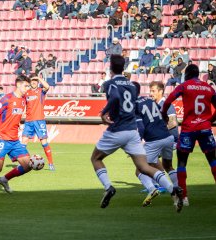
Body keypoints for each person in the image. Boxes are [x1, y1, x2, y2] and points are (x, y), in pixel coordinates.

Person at [90, 55, 182, 211]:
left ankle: (108, 187)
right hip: (132, 132)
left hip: (117, 129)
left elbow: (115, 97)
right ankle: (172, 189)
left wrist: (104, 112)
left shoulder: (110, 84)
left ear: (111, 68)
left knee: (96, 158)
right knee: (144, 167)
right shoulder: (132, 86)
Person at [162, 64, 216, 206]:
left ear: (187, 74)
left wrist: (163, 114)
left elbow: (168, 100)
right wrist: (211, 119)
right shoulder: (208, 88)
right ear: (197, 74)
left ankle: (184, 197)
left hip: (188, 129)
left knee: (181, 163)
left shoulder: (184, 86)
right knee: (213, 161)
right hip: (205, 128)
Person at [133, 81, 178, 207]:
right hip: (167, 138)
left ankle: (155, 188)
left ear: (161, 91)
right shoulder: (152, 102)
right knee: (165, 166)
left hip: (158, 139)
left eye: (153, 91)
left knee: (141, 168)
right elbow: (163, 118)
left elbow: (172, 122)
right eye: (150, 90)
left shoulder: (165, 104)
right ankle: (178, 190)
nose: (151, 93)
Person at [21, 75, 54, 171]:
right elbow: (23, 105)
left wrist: (39, 78)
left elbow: (47, 87)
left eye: (35, 81)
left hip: (39, 120)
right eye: (32, 81)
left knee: (44, 142)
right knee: (23, 142)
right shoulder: (26, 93)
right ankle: (24, 163)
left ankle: (51, 163)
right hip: (28, 121)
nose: (34, 82)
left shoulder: (40, 91)